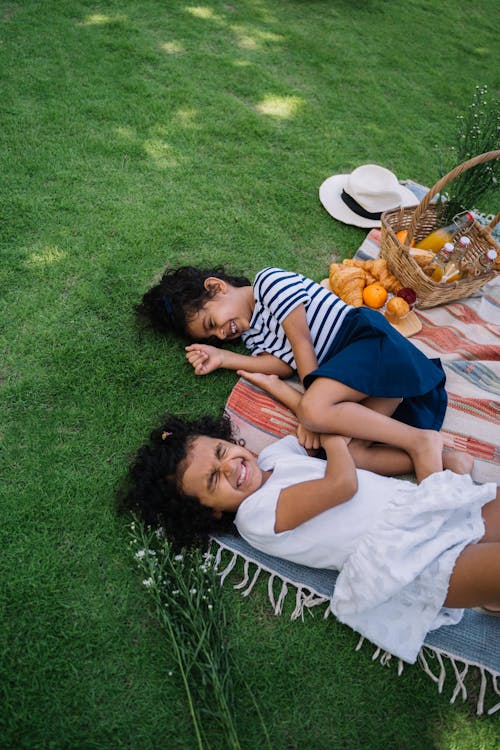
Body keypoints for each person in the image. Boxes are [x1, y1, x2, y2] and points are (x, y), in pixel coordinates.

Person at [120, 389, 499, 664]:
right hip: (406, 560)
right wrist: (333, 438)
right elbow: (342, 484)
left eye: (222, 451)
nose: (229, 467)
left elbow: (307, 417)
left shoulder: (274, 456)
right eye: (213, 481)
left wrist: (268, 382)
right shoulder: (255, 517)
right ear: (211, 513)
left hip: (419, 514)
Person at [136, 265, 448, 482]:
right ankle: (446, 460)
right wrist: (225, 357)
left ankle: (421, 442)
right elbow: (284, 366)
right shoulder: (252, 337)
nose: (221, 332)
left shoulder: (269, 283)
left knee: (314, 411)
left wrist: (312, 410)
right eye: (212, 337)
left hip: (367, 343)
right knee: (347, 453)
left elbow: (302, 344)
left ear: (216, 287)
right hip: (373, 381)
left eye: (211, 323)